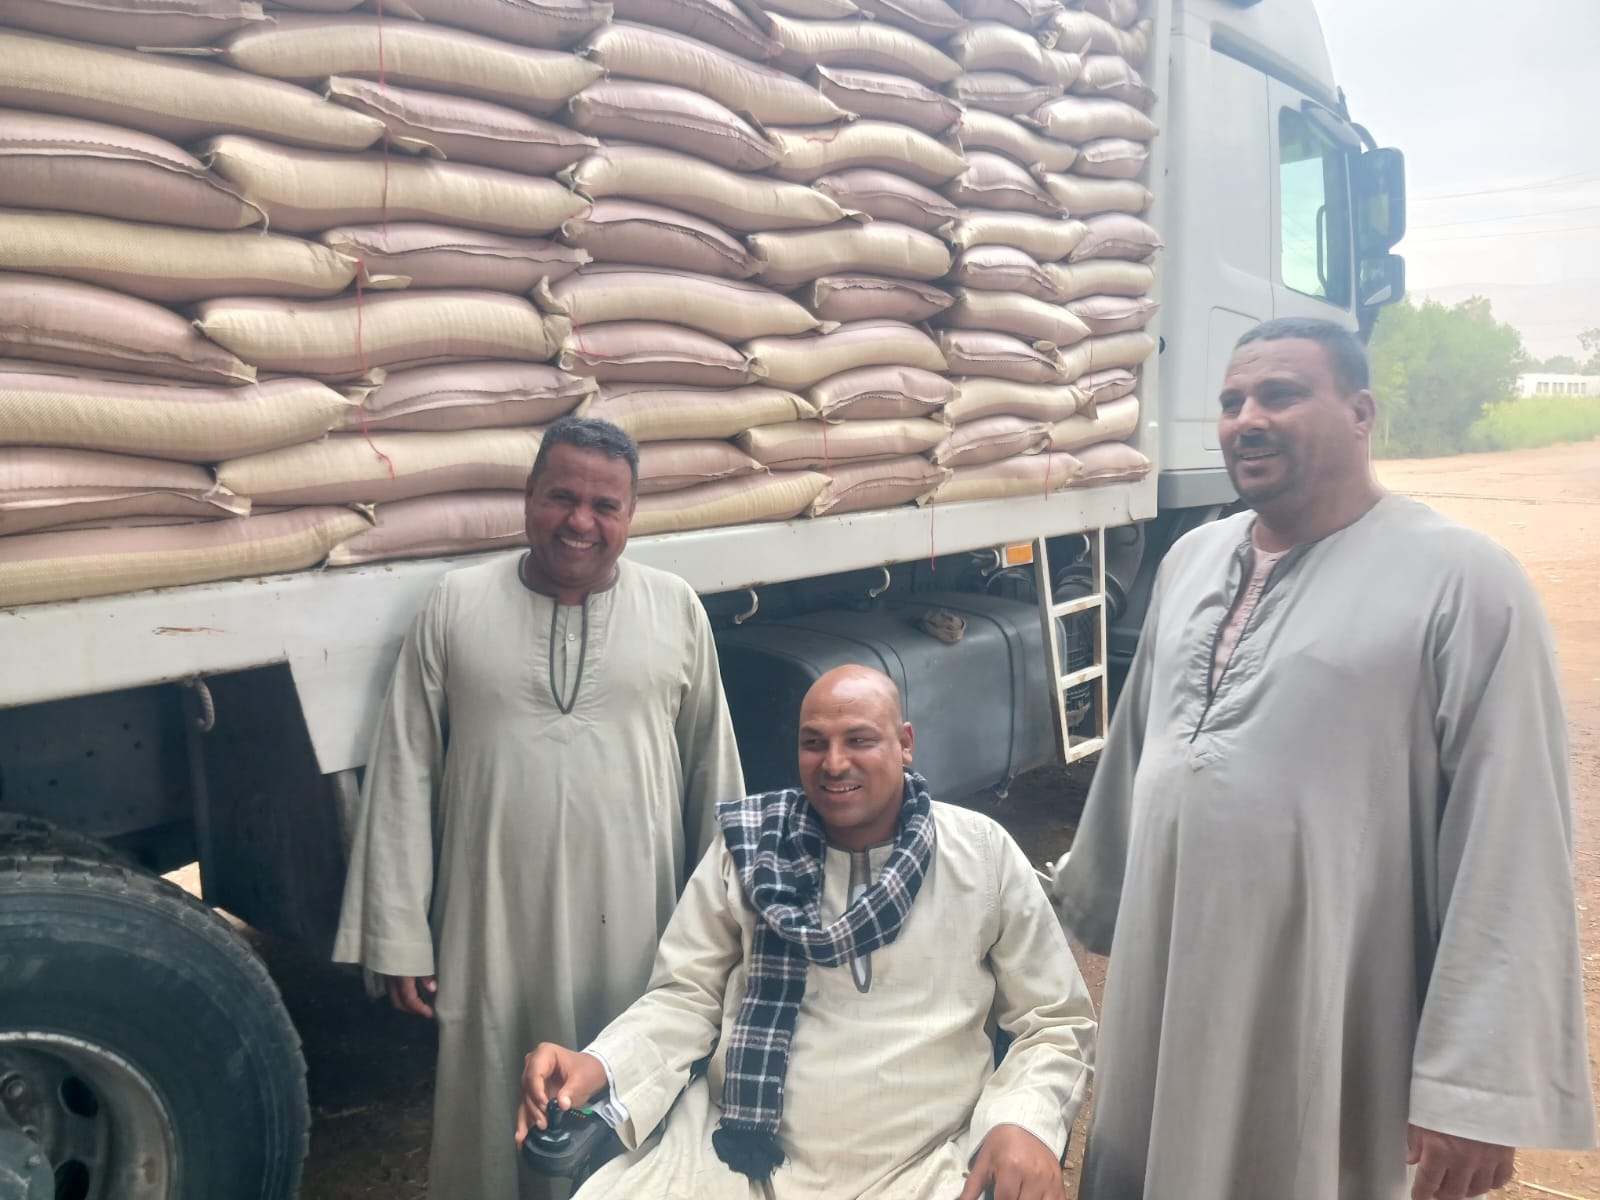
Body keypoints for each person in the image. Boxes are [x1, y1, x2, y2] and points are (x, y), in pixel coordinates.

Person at [1052, 317, 1595, 1200]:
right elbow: (1138, 761)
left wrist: (1477, 1089)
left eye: (1281, 395)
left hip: (1328, 1005)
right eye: (1232, 402)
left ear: (1361, 413)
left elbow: (1513, 839)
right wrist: (1095, 902)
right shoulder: (1190, 561)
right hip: (1170, 981)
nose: (1247, 420)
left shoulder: (1465, 583)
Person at [334, 415, 745, 1200]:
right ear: (528, 496)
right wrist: (400, 931)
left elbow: (713, 775)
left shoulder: (676, 609)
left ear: (631, 515)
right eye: (562, 497)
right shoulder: (455, 605)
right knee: (490, 1108)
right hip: (490, 931)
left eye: (605, 505)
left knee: (631, 1099)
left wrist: (728, 936)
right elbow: (405, 771)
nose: (580, 521)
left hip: (639, 933)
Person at [516, 665, 1096, 1200]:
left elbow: (1054, 1018)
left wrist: (1024, 1120)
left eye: (859, 740)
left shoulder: (981, 853)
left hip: (920, 1166)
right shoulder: (750, 848)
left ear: (905, 744)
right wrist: (604, 1064)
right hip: (735, 1158)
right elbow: (686, 998)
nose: (833, 764)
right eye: (813, 742)